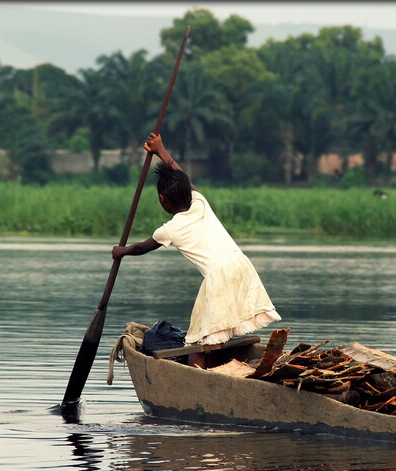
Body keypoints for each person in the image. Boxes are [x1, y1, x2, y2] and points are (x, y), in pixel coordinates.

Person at [112, 133, 281, 369]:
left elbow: (142, 247)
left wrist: (121, 251)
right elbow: (181, 176)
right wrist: (161, 150)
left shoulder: (170, 229)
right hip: (242, 267)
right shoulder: (200, 202)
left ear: (163, 199)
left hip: (219, 279)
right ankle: (213, 370)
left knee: (197, 339)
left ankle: (197, 375)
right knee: (215, 334)